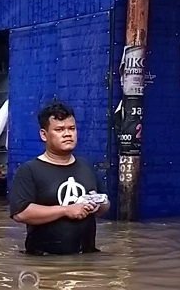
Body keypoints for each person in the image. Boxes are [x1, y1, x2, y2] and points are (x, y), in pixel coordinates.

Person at [9, 101, 110, 255]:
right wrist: (65, 210)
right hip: (46, 262)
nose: (68, 134)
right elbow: (20, 213)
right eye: (59, 129)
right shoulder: (30, 170)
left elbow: (105, 205)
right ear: (44, 134)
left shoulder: (86, 166)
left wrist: (98, 205)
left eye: (72, 129)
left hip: (87, 261)